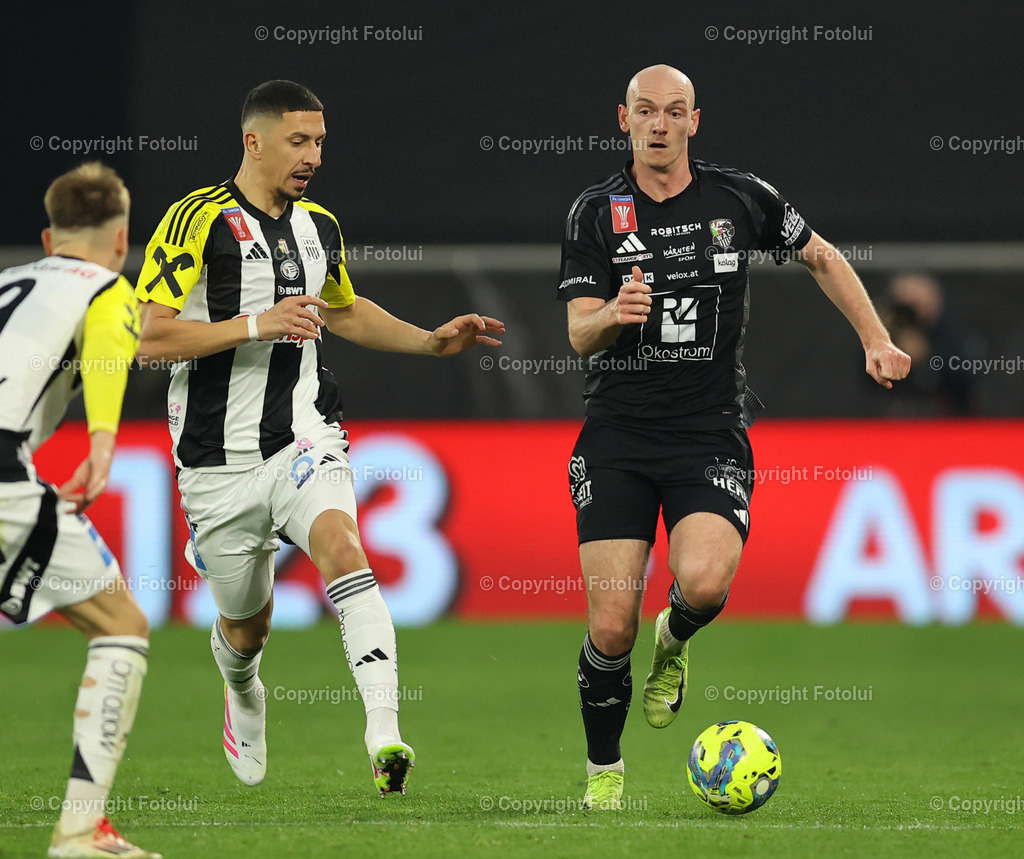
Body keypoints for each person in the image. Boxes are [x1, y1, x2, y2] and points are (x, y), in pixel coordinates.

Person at [135, 80, 504, 797]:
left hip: (305, 436)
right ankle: (241, 687)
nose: (313, 156)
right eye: (299, 141)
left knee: (343, 544)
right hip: (215, 463)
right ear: (254, 141)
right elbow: (150, 339)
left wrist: (431, 341)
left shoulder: (319, 226)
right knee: (247, 628)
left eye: (320, 143)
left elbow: (343, 309)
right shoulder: (195, 220)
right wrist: (255, 324)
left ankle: (384, 731)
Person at [558, 65, 910, 809]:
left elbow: (820, 253)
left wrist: (874, 338)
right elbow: (576, 336)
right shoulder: (595, 212)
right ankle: (604, 773)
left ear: (694, 121)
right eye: (646, 111)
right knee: (612, 622)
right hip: (617, 433)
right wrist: (611, 314)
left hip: (708, 432)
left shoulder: (738, 198)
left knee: (708, 583)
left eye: (675, 111)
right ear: (623, 118)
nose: (660, 124)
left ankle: (676, 640)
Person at [0, 163, 158, 858]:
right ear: (121, 241)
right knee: (122, 623)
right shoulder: (105, 286)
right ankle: (78, 832)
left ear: (47, 236)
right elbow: (107, 352)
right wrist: (101, 444)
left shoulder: (8, 282)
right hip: (5, 475)